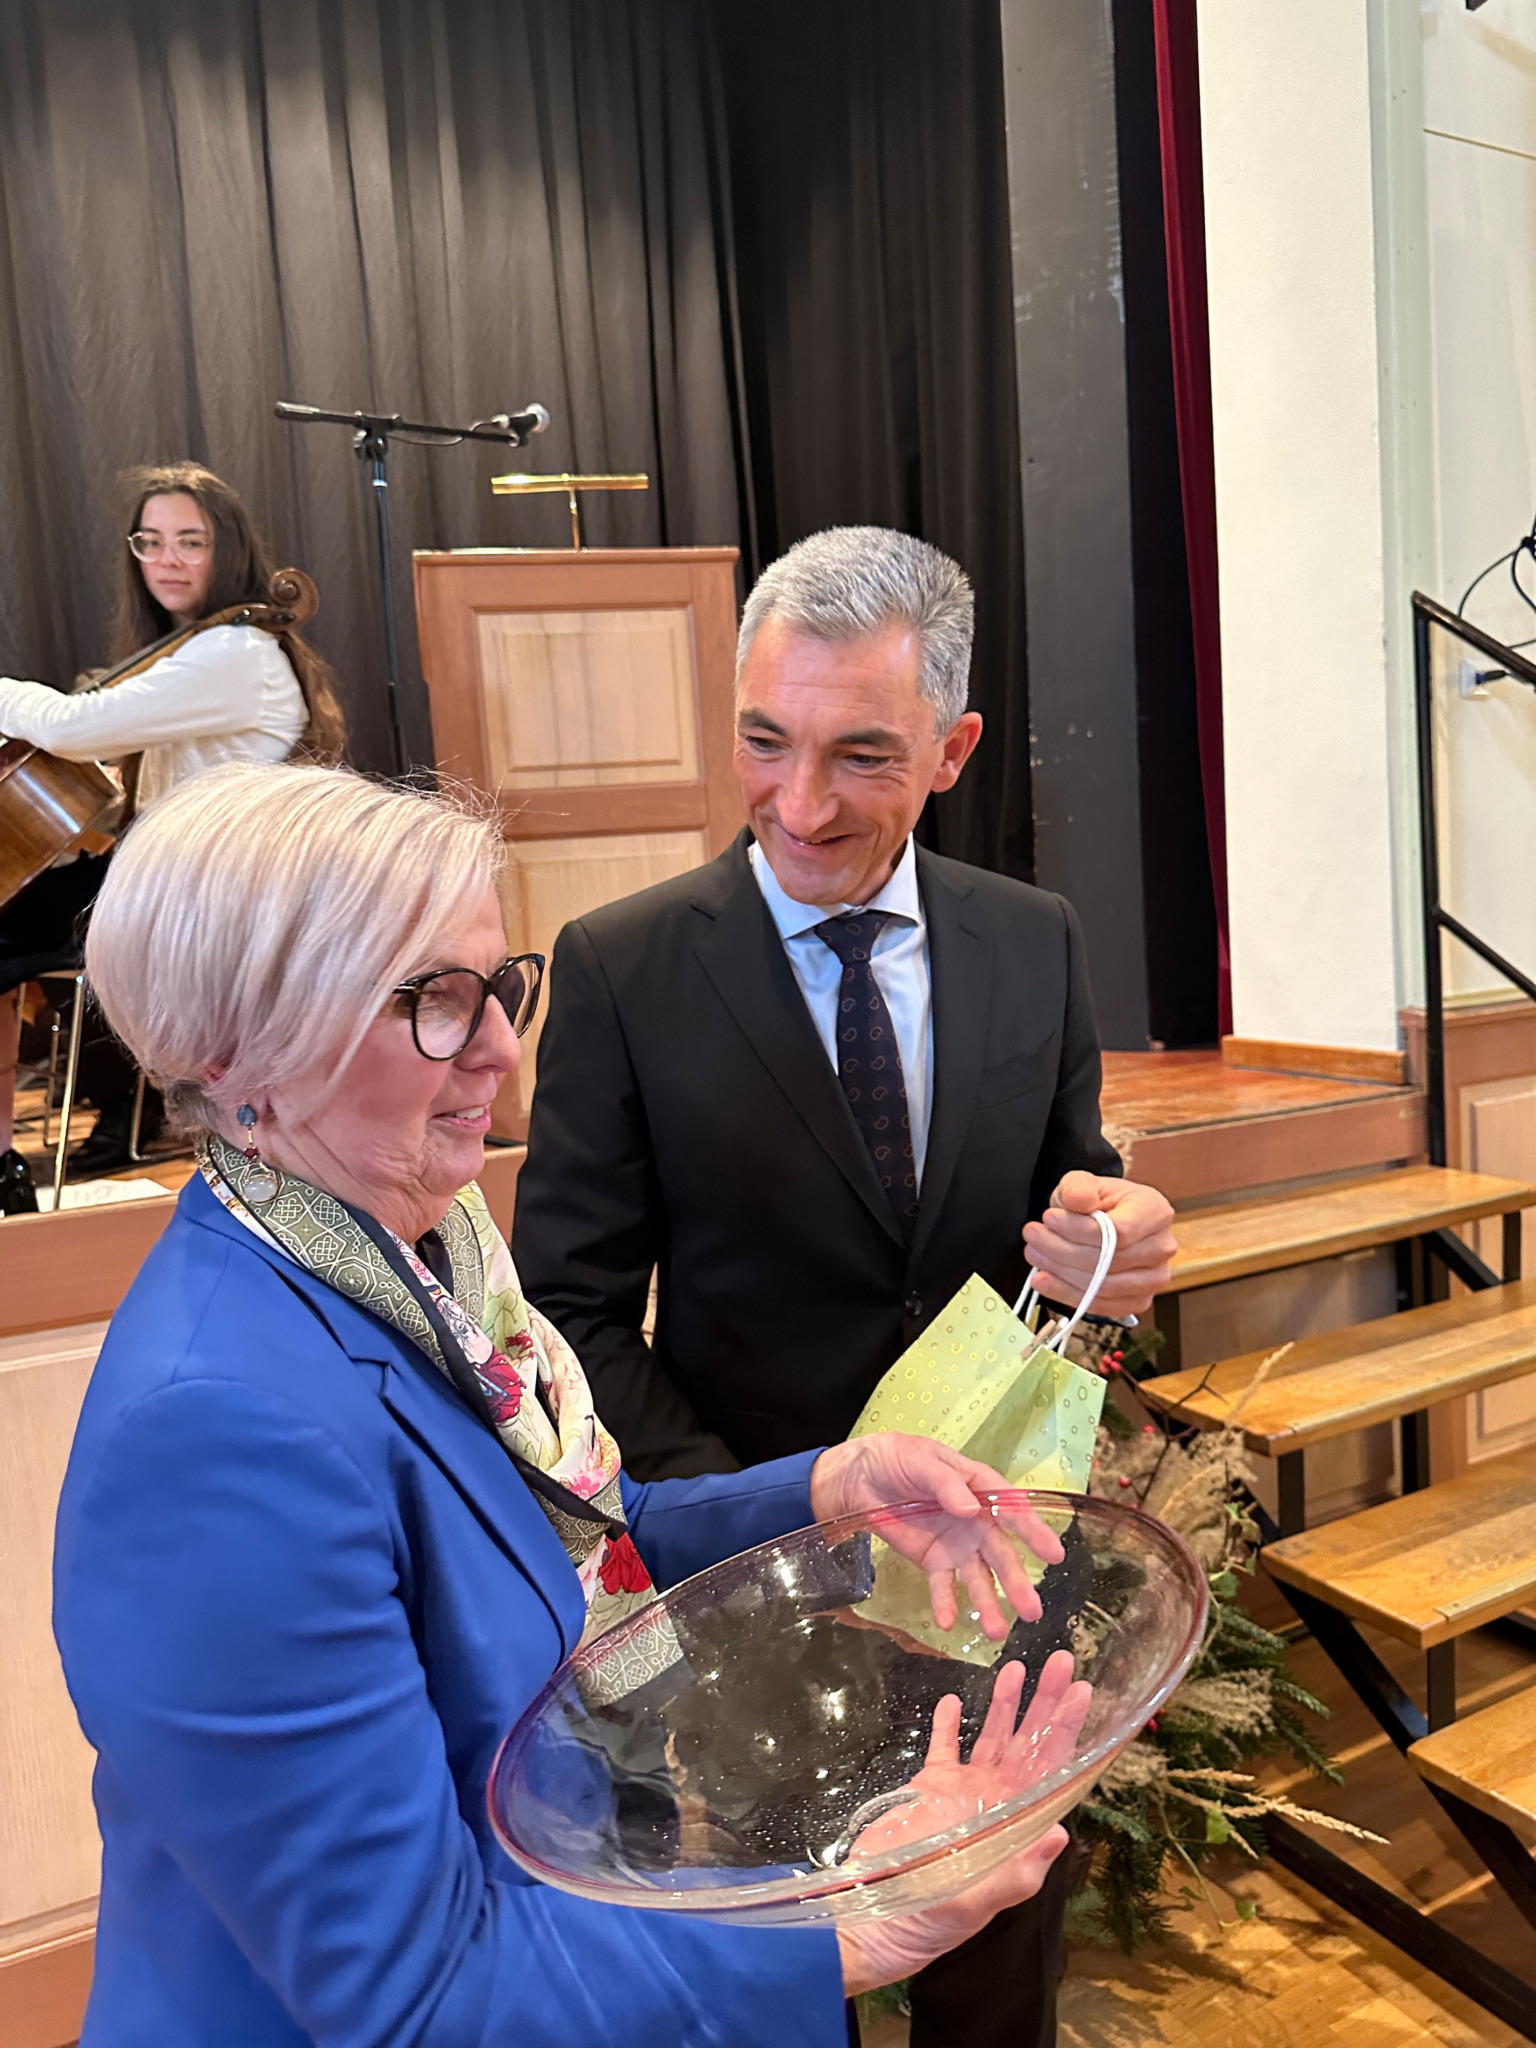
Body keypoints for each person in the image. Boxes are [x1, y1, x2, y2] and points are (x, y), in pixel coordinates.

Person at [53, 760, 1090, 2048]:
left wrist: (832, 1490)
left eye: (498, 985)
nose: (501, 1045)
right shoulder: (216, 1432)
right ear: (234, 1054)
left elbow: (578, 1532)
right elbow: (415, 1995)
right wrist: (848, 1929)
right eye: (431, 1000)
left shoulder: (419, 1254)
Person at [512, 525, 1179, 2047]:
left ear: (954, 750)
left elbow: (1065, 1238)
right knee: (780, 1989)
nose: (800, 802)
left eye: (862, 756)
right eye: (766, 740)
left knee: (998, 1973)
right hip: (762, 1590)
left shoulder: (1035, 940)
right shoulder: (623, 967)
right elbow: (575, 1314)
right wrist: (781, 1527)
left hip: (1000, 1578)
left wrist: (1118, 1251)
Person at [0, 461, 345, 1206]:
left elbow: (75, 726)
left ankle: (9, 1163)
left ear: (230, 550)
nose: (167, 560)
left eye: (191, 541)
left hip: (216, 889)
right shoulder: (195, 650)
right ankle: (23, 1153)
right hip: (173, 873)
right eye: (150, 542)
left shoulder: (234, 654)